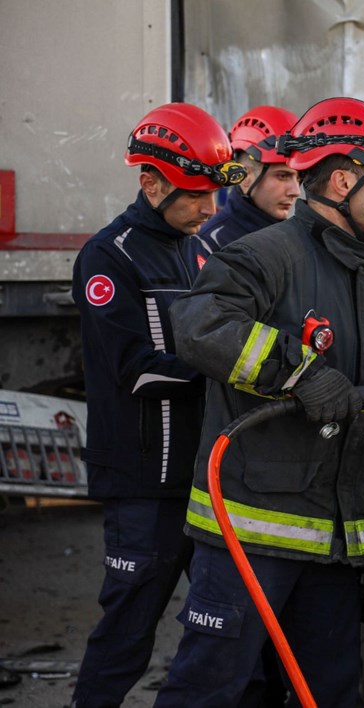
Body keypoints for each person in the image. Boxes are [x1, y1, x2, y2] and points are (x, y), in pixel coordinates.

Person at [153, 97, 364, 707]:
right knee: (210, 690)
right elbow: (199, 326)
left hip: (333, 544)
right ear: (344, 179)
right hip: (251, 538)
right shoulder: (266, 255)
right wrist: (297, 373)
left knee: (328, 694)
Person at [69, 103, 245, 708]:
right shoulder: (107, 256)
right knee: (125, 640)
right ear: (151, 182)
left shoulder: (198, 254)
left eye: (214, 192)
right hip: (141, 483)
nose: (210, 208)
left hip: (201, 482)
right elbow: (132, 372)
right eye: (197, 194)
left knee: (231, 632)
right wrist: (229, 374)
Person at [200, 105, 300, 253]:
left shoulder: (300, 241)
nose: (296, 191)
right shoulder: (210, 245)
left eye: (299, 177)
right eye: (283, 176)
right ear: (244, 177)